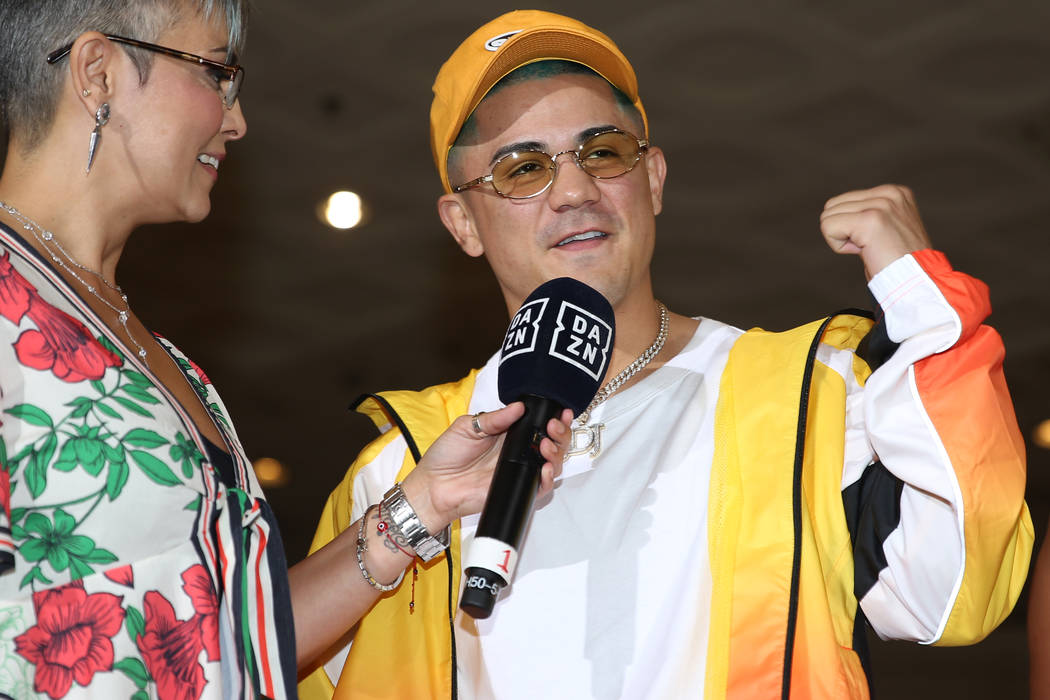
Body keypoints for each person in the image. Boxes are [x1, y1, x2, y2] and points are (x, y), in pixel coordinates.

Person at [297, 9, 1034, 700]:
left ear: (651, 179)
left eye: (603, 152)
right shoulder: (401, 469)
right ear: (463, 223)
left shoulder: (809, 396)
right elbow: (247, 663)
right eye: (523, 169)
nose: (575, 190)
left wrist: (922, 304)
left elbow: (956, 593)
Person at [0, 3, 571, 698]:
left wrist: (420, 505)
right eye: (216, 74)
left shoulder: (164, 359)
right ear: (99, 72)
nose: (236, 120)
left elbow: (233, 647)